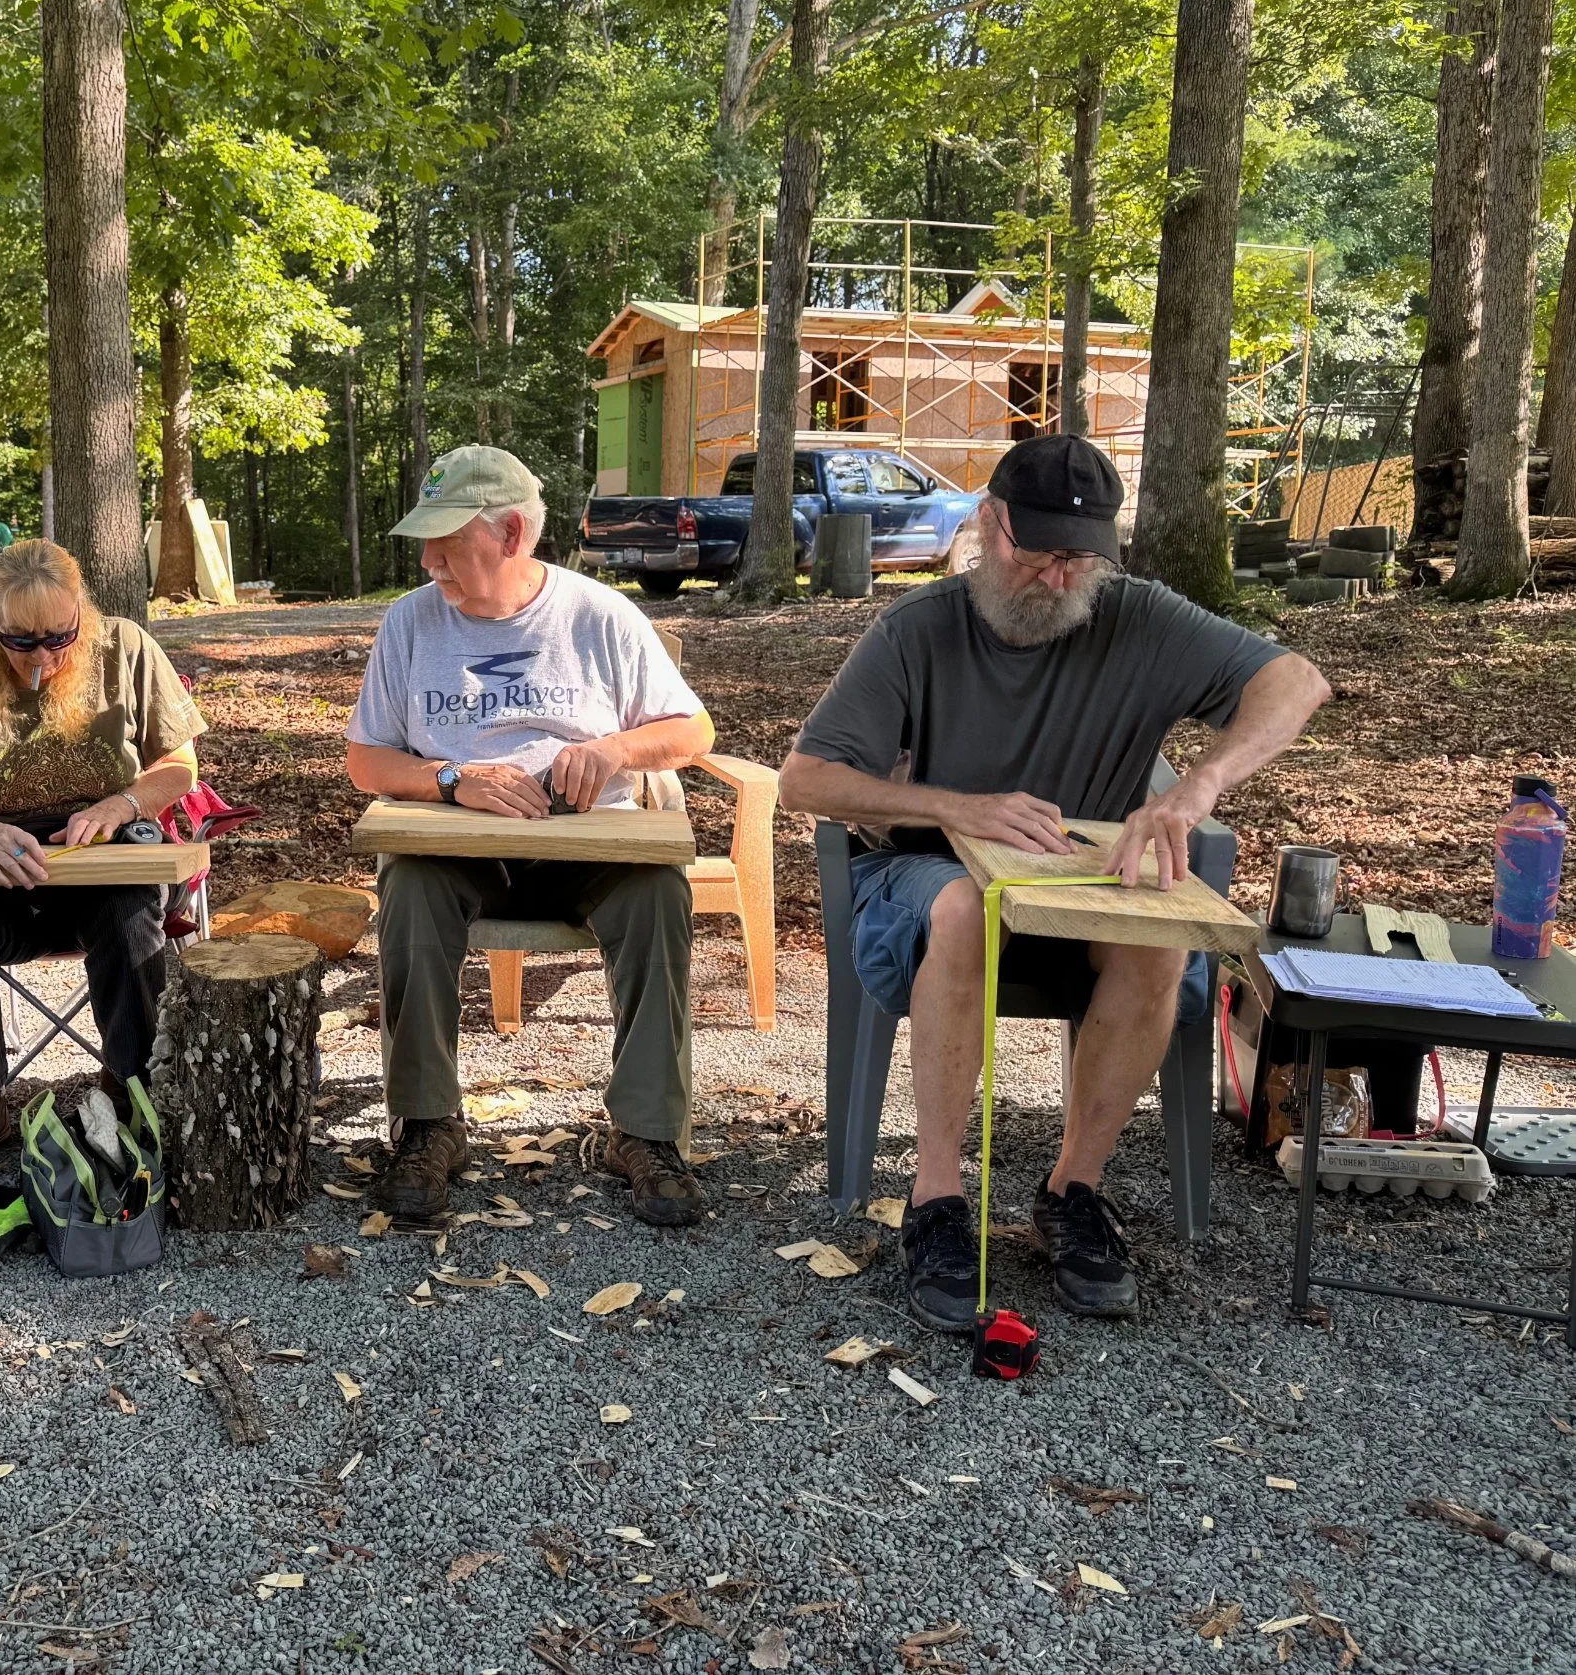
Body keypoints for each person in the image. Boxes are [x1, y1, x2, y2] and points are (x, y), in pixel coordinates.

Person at [780, 434, 1329, 1326]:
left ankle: (1073, 1189)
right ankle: (936, 1199)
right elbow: (808, 777)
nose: (1059, 577)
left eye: (1081, 557)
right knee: (965, 908)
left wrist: (1194, 790)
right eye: (1038, 552)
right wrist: (954, 806)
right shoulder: (919, 630)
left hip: (1082, 885)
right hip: (930, 873)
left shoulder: (1140, 618)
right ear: (989, 524)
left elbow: (1297, 681)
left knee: (1159, 935)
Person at [346, 446, 717, 1227]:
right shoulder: (410, 622)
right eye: (426, 541)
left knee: (658, 891)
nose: (428, 559)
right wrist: (452, 777)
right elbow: (366, 758)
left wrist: (612, 750)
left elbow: (693, 729)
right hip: (459, 847)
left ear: (514, 533)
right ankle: (427, 1124)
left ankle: (647, 1132)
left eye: (447, 542)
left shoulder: (600, 615)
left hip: (590, 845)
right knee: (408, 886)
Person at [0, 539, 207, 1170]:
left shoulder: (124, 649)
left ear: (82, 616)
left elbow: (179, 768)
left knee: (130, 913)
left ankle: (131, 1086)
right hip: (0, 874)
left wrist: (121, 804)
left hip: (109, 854)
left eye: (59, 638)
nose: (42, 657)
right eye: (22, 641)